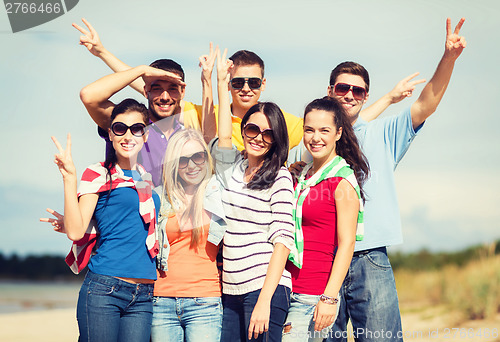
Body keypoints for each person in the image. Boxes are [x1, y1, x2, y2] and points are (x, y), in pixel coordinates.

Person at [322, 18, 467, 342]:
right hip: (321, 258)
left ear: (365, 95)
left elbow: (426, 102)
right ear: (329, 90)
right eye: (342, 87)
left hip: (369, 257)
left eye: (357, 90)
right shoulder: (314, 139)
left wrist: (448, 58)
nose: (349, 94)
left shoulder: (384, 134)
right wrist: (386, 98)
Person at [49, 98, 160, 342]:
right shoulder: (99, 173)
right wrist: (70, 177)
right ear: (110, 134)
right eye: (120, 128)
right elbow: (77, 231)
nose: (128, 135)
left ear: (146, 134)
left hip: (144, 294)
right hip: (105, 288)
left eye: (137, 129)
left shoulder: (146, 179)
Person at [214, 50, 294, 342]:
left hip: (264, 289)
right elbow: (223, 134)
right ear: (243, 129)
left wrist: (264, 301)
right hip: (231, 288)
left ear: (277, 139)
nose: (259, 137)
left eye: (268, 133)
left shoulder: (280, 177)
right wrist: (222, 86)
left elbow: (284, 241)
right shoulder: (233, 167)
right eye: (252, 128)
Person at [282, 97, 368, 342]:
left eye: (324, 131)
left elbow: (347, 244)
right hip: (285, 288)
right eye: (309, 130)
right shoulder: (302, 176)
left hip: (311, 294)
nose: (315, 137)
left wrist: (329, 298)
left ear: (338, 133)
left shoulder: (342, 181)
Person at [151, 129, 226, 342]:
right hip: (161, 300)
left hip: (205, 300)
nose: (191, 166)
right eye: (182, 160)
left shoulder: (217, 192)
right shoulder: (159, 196)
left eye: (198, 157)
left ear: (206, 157)